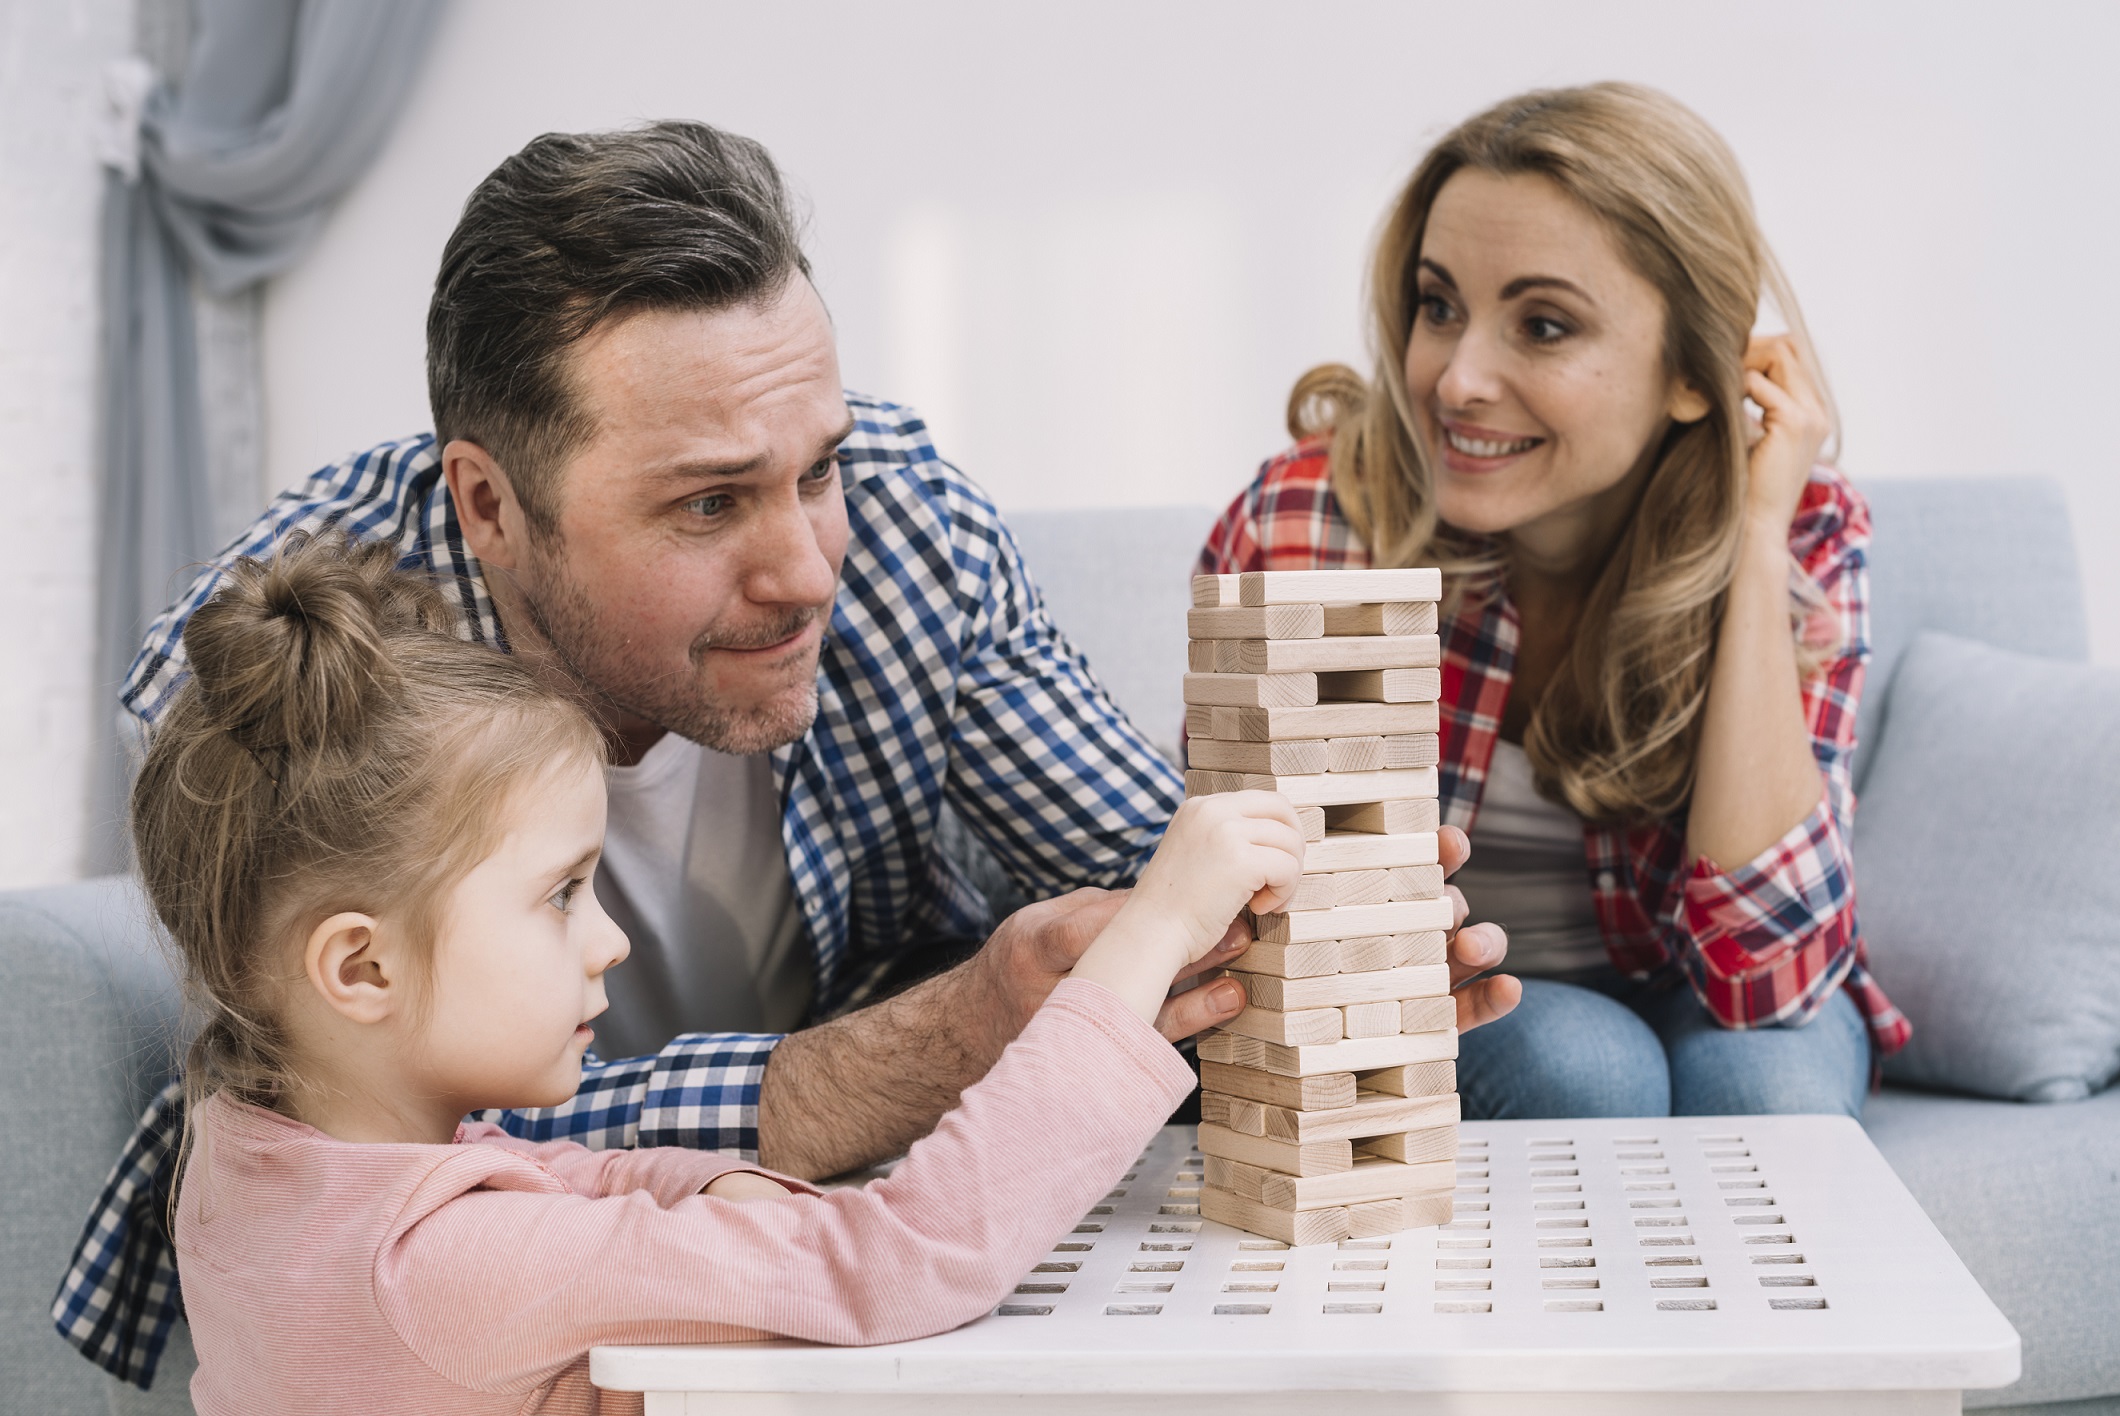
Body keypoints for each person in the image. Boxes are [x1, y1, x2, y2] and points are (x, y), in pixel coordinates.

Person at [59, 119, 1518, 1385]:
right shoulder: (298, 678)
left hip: (736, 1203)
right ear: (490, 506)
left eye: (815, 469)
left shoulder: (901, 529)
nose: (813, 566)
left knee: (1544, 1059)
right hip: (662, 1241)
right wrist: (918, 1051)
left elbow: (1144, 866)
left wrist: (1305, 951)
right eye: (706, 508)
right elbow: (394, 1116)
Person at [138, 533, 1303, 1414]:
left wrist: (704, 1196)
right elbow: (899, 1261)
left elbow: (544, 1186)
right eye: (558, 896)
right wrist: (1146, 934)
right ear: (361, 966)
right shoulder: (443, 1269)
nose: (609, 941)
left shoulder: (252, 1159)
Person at [1198, 83, 1908, 1122]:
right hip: (1433, 992)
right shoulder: (1319, 514)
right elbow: (1266, 928)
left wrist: (1751, 541)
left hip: (1696, 984)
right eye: (1438, 307)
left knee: (1768, 1083)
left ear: (1690, 375)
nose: (1454, 380)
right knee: (1584, 1066)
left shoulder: (1797, 526)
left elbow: (1769, 979)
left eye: (1541, 324)